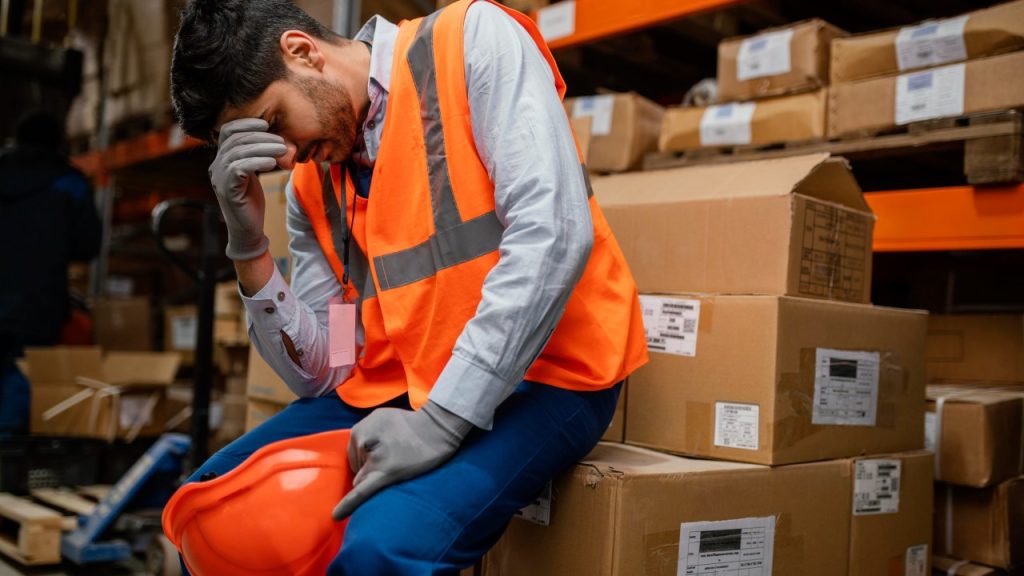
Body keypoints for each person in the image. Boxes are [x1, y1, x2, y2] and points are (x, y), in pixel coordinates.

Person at [169, 0, 648, 571]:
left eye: (274, 122)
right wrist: (248, 246)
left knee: (380, 550)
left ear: (302, 52)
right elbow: (328, 370)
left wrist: (441, 423)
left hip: (547, 373)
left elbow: (554, 235)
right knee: (213, 511)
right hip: (401, 379)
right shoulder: (314, 187)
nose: (287, 154)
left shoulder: (469, 43)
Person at [0, 111, 102, 437]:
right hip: (38, 298)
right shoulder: (68, 182)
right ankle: (8, 451)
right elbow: (88, 243)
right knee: (24, 368)